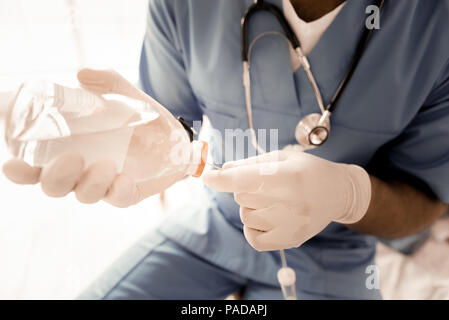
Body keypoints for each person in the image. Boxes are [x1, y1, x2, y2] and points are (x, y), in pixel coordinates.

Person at [3, 0, 449, 299]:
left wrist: (349, 194)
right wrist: (135, 143)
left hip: (335, 255)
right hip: (212, 228)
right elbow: (174, 120)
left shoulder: (432, 25)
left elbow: (429, 195)